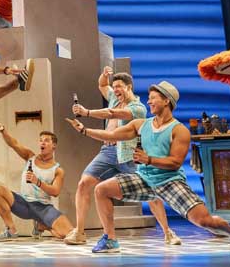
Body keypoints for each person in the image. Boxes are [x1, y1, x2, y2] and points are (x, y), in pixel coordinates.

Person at [65, 81, 230, 255]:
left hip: (169, 181)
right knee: (101, 190)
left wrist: (148, 159)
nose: (148, 102)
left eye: (153, 98)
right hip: (144, 179)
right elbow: (112, 135)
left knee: (204, 221)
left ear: (166, 101)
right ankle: (110, 240)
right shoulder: (141, 125)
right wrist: (84, 130)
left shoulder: (179, 130)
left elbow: (175, 163)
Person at [64, 67, 181, 246]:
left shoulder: (138, 108)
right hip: (108, 151)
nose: (115, 89)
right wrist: (104, 75)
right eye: (115, 86)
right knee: (84, 183)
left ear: (129, 87)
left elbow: (112, 113)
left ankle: (168, 232)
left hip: (130, 154)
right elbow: (102, 85)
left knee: (151, 192)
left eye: (119, 86)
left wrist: (86, 112)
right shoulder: (114, 98)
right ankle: (79, 232)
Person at [0, 121, 73, 241]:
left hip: (43, 207)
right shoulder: (30, 157)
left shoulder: (57, 170)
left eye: (46, 140)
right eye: (40, 140)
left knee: (68, 234)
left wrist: (37, 182)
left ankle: (41, 225)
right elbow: (14, 144)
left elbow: (55, 192)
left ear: (54, 145)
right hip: (23, 204)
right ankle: (11, 230)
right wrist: (3, 131)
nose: (42, 142)